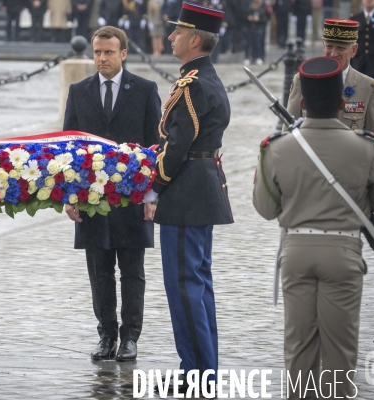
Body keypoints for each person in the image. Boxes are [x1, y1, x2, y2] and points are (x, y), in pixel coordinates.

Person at [253, 56, 374, 398]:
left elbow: (266, 208)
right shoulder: (365, 146)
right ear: (343, 102)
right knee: (339, 353)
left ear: (302, 103)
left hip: (297, 252)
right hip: (343, 252)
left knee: (298, 348)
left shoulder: (277, 148)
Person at [145, 1, 233, 390]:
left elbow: (177, 145)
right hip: (200, 189)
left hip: (185, 194)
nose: (171, 37)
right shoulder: (205, 78)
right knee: (197, 284)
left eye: (178, 32)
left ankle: (196, 374)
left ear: (195, 39)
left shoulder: (193, 83)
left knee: (185, 287)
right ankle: (201, 368)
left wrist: (153, 185)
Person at [63, 26, 161, 362]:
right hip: (91, 199)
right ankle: (106, 334)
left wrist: (152, 196)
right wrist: (69, 195)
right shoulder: (79, 91)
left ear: (123, 53)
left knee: (132, 271)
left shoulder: (145, 90)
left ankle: (131, 337)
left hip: (132, 197)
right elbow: (68, 148)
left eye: (108, 52)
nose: (101, 58)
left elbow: (155, 146)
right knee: (99, 270)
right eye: (97, 52)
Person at [285, 19, 374, 142]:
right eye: (329, 46)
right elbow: (288, 134)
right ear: (323, 46)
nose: (333, 53)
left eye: (340, 48)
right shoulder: (303, 80)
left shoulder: (369, 88)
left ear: (353, 50)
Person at [243, 0, 269, 66]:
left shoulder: (261, 11)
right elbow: (243, 19)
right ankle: (247, 57)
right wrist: (249, 18)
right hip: (249, 30)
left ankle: (258, 57)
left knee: (258, 45)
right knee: (248, 44)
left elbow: (265, 20)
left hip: (258, 31)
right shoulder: (248, 11)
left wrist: (258, 19)